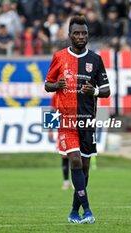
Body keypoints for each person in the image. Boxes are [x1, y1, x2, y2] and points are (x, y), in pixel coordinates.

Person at [45, 16, 110, 224]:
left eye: (84, 33)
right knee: (73, 159)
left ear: (88, 35)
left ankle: (74, 212)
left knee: (84, 167)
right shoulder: (59, 57)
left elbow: (107, 91)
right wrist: (57, 86)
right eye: (76, 33)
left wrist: (95, 91)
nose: (80, 36)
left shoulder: (96, 60)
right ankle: (88, 211)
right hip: (66, 121)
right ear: (69, 35)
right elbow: (48, 85)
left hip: (87, 122)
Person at [48, 93, 71, 190]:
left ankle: (76, 181)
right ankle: (66, 182)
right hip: (62, 130)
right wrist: (50, 129)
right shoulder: (55, 96)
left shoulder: (75, 92)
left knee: (77, 156)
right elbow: (53, 111)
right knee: (64, 156)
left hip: (76, 128)